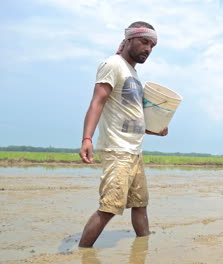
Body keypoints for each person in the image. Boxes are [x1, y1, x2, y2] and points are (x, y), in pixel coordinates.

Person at [78, 21, 167, 248]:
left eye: (152, 45)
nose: (148, 49)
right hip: (117, 151)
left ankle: (143, 250)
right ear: (128, 40)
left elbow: (133, 118)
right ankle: (83, 254)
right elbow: (98, 101)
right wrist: (87, 138)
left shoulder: (134, 75)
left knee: (140, 204)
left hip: (134, 152)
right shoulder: (112, 64)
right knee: (109, 207)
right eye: (144, 42)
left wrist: (156, 129)